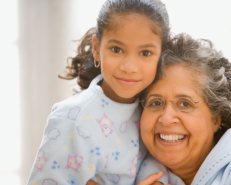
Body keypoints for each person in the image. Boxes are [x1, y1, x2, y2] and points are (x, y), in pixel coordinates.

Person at [26, 0, 171, 184]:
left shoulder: (155, 107)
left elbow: (153, 158)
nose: (129, 67)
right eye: (117, 49)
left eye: (145, 53)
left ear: (162, 54)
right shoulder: (71, 121)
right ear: (96, 48)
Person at [138, 33, 231, 184]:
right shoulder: (125, 172)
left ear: (216, 118)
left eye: (185, 104)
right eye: (156, 103)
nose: (166, 118)